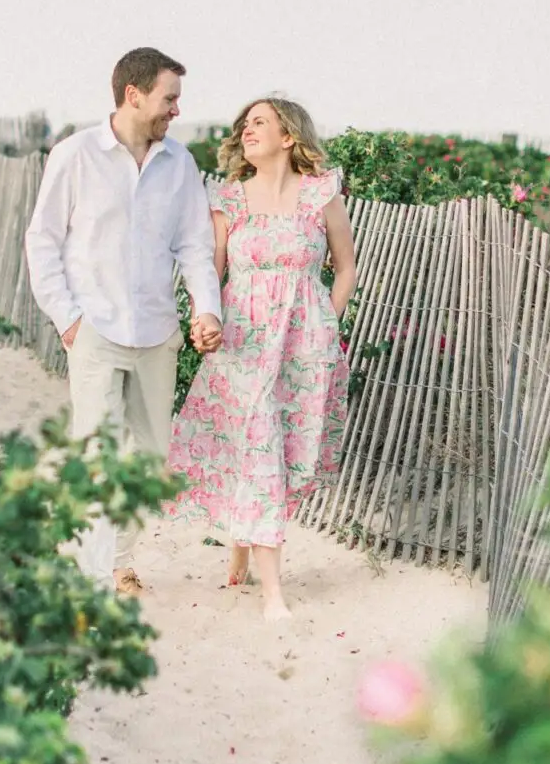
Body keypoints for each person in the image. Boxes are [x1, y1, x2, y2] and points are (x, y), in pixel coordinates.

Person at [25, 46, 224, 596]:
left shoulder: (179, 164)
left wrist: (206, 308)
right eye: (169, 98)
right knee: (97, 450)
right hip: (95, 330)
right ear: (133, 94)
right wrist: (67, 320)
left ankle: (114, 554)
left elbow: (194, 246)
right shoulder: (74, 155)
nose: (176, 111)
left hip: (157, 332)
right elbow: (42, 241)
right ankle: (106, 570)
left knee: (151, 456)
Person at [169, 95, 356, 621]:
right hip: (244, 347)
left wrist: (326, 321)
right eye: (244, 124)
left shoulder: (321, 195)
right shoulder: (228, 198)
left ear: (289, 136)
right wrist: (204, 320)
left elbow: (345, 268)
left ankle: (241, 545)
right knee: (257, 447)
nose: (247, 130)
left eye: (260, 123)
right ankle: (272, 592)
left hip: (302, 348)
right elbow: (213, 271)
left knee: (279, 451)